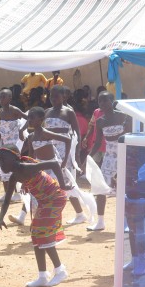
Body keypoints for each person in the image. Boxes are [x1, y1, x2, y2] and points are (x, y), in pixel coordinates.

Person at [0, 146, 71, 287]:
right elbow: (7, 200)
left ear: (15, 158)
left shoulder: (26, 167)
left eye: (4, 160)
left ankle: (60, 270)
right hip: (45, 202)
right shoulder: (14, 177)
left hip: (55, 199)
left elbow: (54, 164)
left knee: (43, 233)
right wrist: (0, 218)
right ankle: (42, 276)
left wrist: (63, 184)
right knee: (36, 234)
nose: (2, 164)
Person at [9, 106, 71, 226]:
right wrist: (24, 181)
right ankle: (36, 221)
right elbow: (30, 159)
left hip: (52, 169)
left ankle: (52, 222)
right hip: (38, 169)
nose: (30, 120)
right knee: (34, 195)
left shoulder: (45, 133)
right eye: (29, 118)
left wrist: (64, 161)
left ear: (41, 119)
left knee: (53, 196)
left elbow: (67, 140)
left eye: (32, 118)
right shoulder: (31, 137)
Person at [88, 92, 131, 231]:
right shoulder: (100, 121)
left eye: (105, 101)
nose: (102, 104)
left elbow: (131, 136)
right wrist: (88, 158)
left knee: (124, 190)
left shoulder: (124, 116)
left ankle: (125, 222)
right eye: (100, 102)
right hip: (109, 158)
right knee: (101, 189)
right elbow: (98, 142)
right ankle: (100, 221)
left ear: (112, 101)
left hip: (125, 156)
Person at [44, 85, 85, 223]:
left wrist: (77, 155)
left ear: (64, 97)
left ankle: (76, 213)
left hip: (65, 152)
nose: (53, 99)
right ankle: (75, 213)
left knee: (66, 181)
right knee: (52, 181)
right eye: (51, 96)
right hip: (50, 150)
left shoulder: (68, 112)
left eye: (56, 96)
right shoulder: (47, 112)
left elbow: (77, 133)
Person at [0, 88, 28, 203]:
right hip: (4, 144)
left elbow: (29, 119)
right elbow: (0, 130)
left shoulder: (15, 110)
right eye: (0, 97)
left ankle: (17, 194)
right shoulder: (0, 112)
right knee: (2, 167)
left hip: (14, 144)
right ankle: (6, 194)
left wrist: (21, 130)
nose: (1, 99)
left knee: (13, 167)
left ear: (10, 98)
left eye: (4, 97)